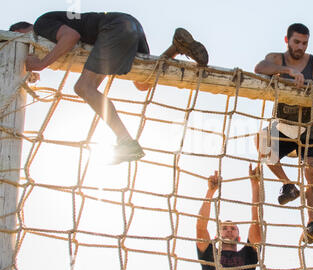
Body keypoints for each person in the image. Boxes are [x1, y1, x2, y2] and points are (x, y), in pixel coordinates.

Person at [10, 11, 209, 165]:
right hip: (129, 25)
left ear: (20, 32)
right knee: (143, 83)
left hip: (113, 29)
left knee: (83, 87)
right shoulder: (52, 25)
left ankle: (125, 142)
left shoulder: (41, 24)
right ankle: (176, 47)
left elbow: (70, 36)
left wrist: (41, 63)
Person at [254, 23, 313, 244]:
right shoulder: (276, 59)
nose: (300, 47)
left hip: (310, 127)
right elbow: (259, 68)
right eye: (296, 42)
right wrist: (287, 71)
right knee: (261, 140)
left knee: (311, 170)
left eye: (304, 43)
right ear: (287, 41)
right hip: (284, 125)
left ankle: (311, 223)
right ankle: (288, 185)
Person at [196, 165, 262, 270]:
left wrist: (255, 185)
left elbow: (255, 225)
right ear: (217, 236)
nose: (229, 231)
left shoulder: (247, 255)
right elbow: (201, 229)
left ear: (239, 237)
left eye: (233, 229)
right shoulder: (210, 254)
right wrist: (210, 192)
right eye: (225, 228)